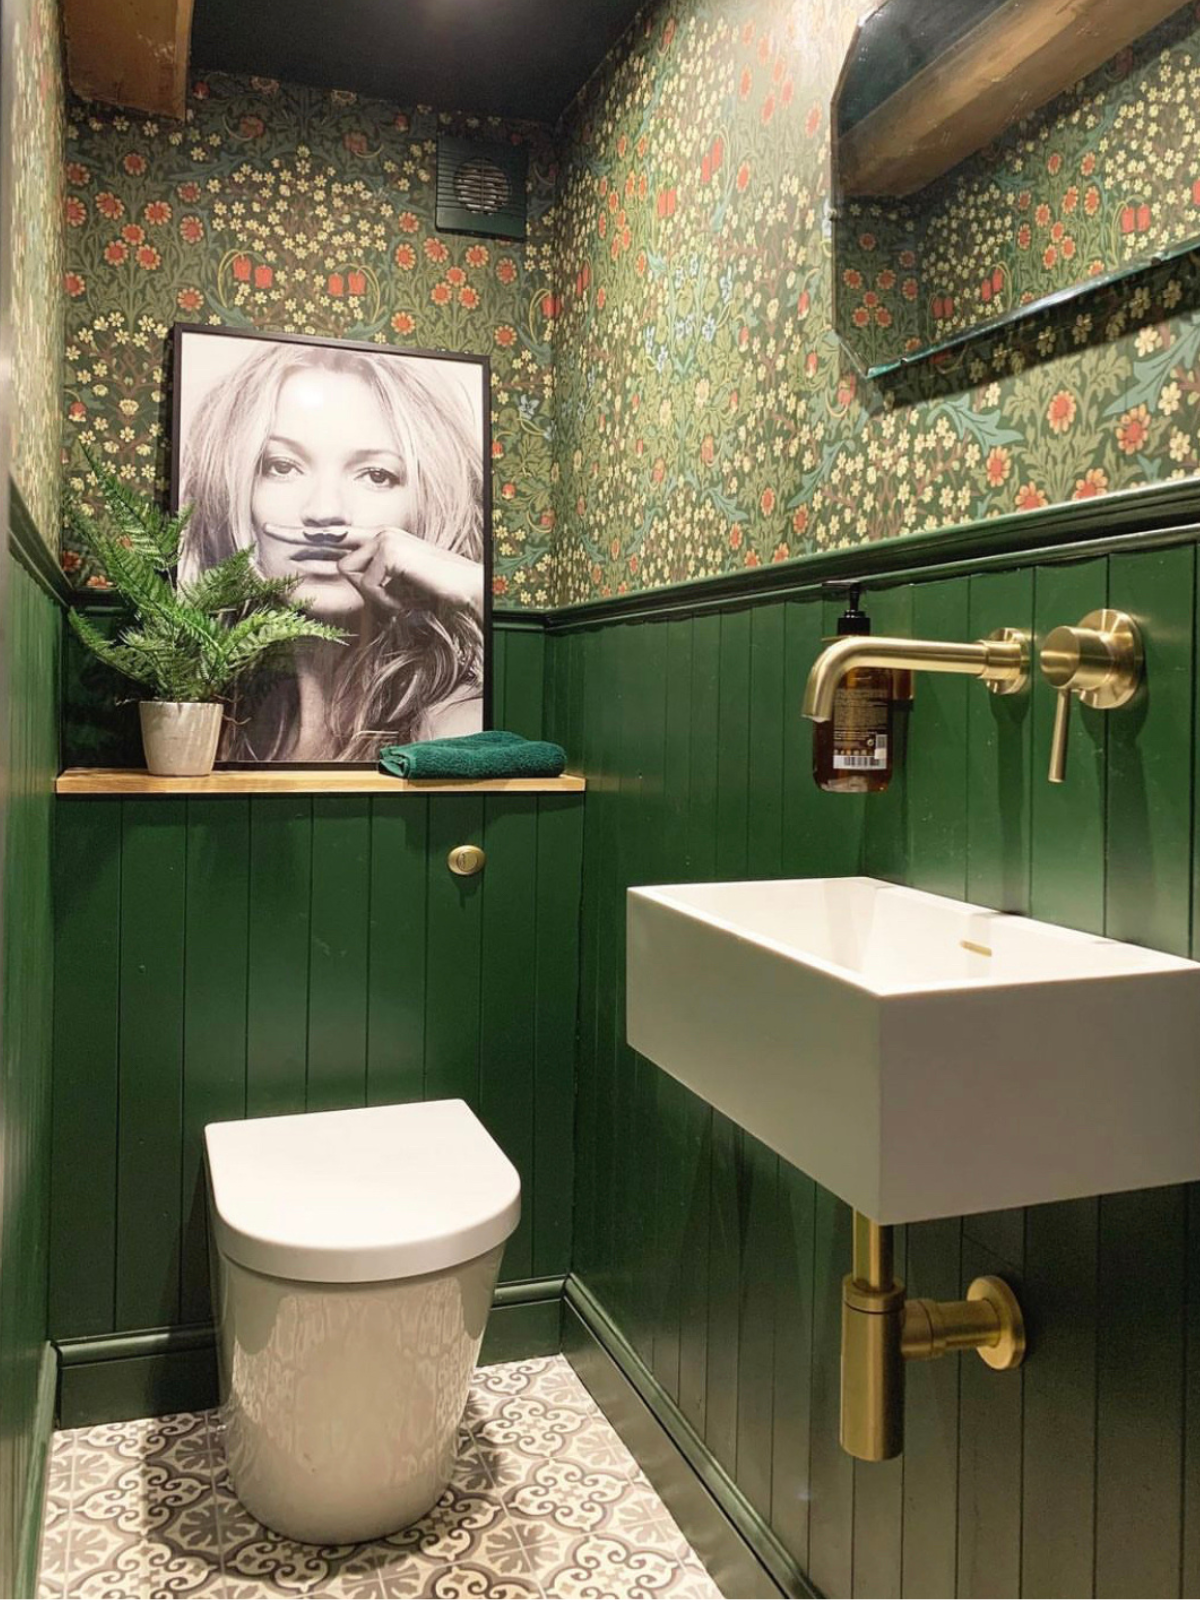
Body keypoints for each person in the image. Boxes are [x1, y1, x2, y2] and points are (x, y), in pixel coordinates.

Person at [179, 338, 485, 762]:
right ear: (234, 489)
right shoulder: (204, 717)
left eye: (376, 475)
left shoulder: (455, 720)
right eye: (282, 467)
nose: (325, 511)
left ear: (429, 501)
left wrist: (475, 586)